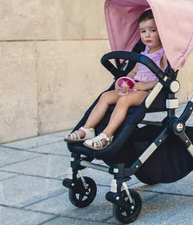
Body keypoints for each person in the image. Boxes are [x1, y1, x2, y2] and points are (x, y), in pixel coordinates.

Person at [64, 9, 167, 150]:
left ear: (161, 31)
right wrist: (124, 82)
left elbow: (165, 78)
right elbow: (133, 72)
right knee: (106, 96)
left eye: (152, 30)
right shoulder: (144, 53)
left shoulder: (163, 54)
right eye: (143, 31)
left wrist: (145, 85)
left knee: (124, 100)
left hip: (151, 92)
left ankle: (107, 135)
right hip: (135, 88)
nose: (147, 35)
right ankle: (88, 129)